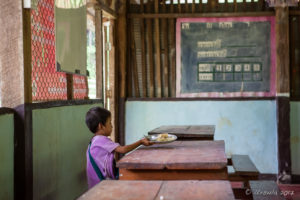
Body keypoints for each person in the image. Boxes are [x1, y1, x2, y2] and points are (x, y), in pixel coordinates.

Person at [85, 106, 153, 188]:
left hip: (95, 183)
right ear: (101, 126)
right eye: (109, 123)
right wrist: (140, 142)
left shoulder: (94, 140)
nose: (112, 126)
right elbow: (123, 149)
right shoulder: (101, 140)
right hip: (101, 185)